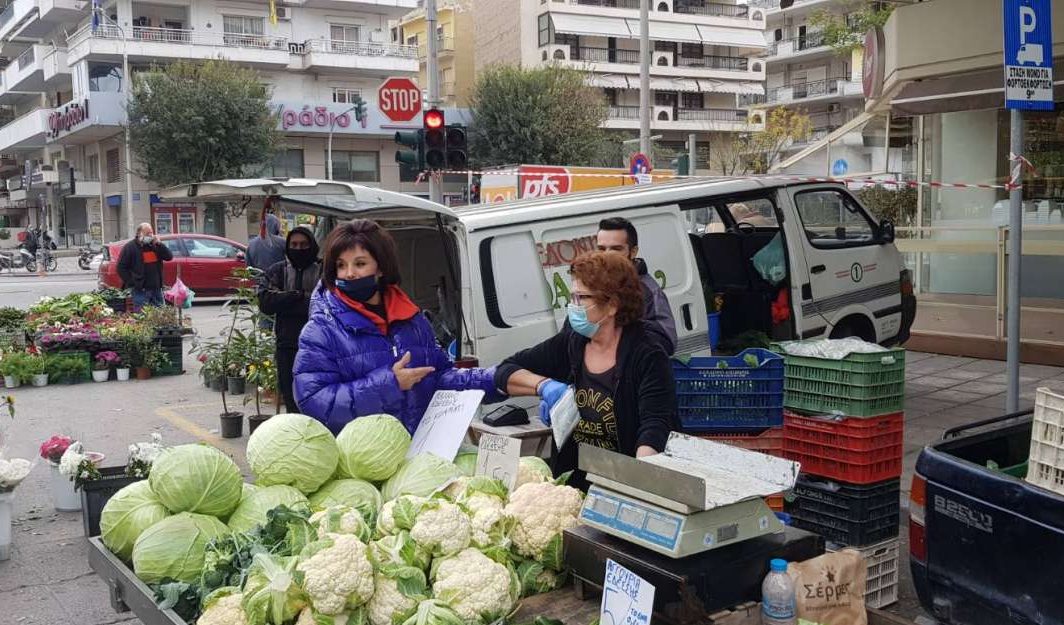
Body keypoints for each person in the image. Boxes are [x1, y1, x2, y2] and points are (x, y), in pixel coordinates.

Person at [293, 219, 500, 434]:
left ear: (381, 268)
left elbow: (438, 377)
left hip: (417, 449)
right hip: (360, 454)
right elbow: (313, 401)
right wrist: (388, 385)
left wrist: (497, 380)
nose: (349, 273)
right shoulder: (321, 331)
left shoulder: (413, 320)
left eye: (360, 264)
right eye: (341, 265)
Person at [494, 252, 679, 491]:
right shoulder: (573, 343)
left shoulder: (647, 354)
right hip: (574, 483)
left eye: (581, 297)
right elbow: (506, 371)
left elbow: (654, 425)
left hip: (624, 481)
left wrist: (638, 483)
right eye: (572, 296)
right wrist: (543, 386)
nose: (573, 305)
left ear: (612, 305)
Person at [258, 227, 321, 413]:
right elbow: (266, 302)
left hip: (318, 345)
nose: (298, 249)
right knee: (291, 398)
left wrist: (285, 300)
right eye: (294, 244)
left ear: (312, 245)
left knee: (317, 398)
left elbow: (325, 303)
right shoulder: (278, 270)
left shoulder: (323, 270)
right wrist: (298, 296)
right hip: (287, 345)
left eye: (303, 244)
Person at [596, 217, 678, 355]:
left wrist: (620, 328)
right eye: (601, 249)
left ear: (633, 252)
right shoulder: (590, 287)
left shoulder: (648, 290)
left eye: (616, 249)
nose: (607, 255)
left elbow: (667, 340)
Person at [117, 222, 173, 310]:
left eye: (151, 233)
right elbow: (121, 267)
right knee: (142, 314)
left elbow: (169, 257)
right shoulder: (130, 247)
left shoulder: (155, 246)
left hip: (156, 289)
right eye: (147, 233)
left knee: (161, 314)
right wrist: (133, 282)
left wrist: (159, 244)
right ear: (139, 234)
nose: (150, 235)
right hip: (141, 290)